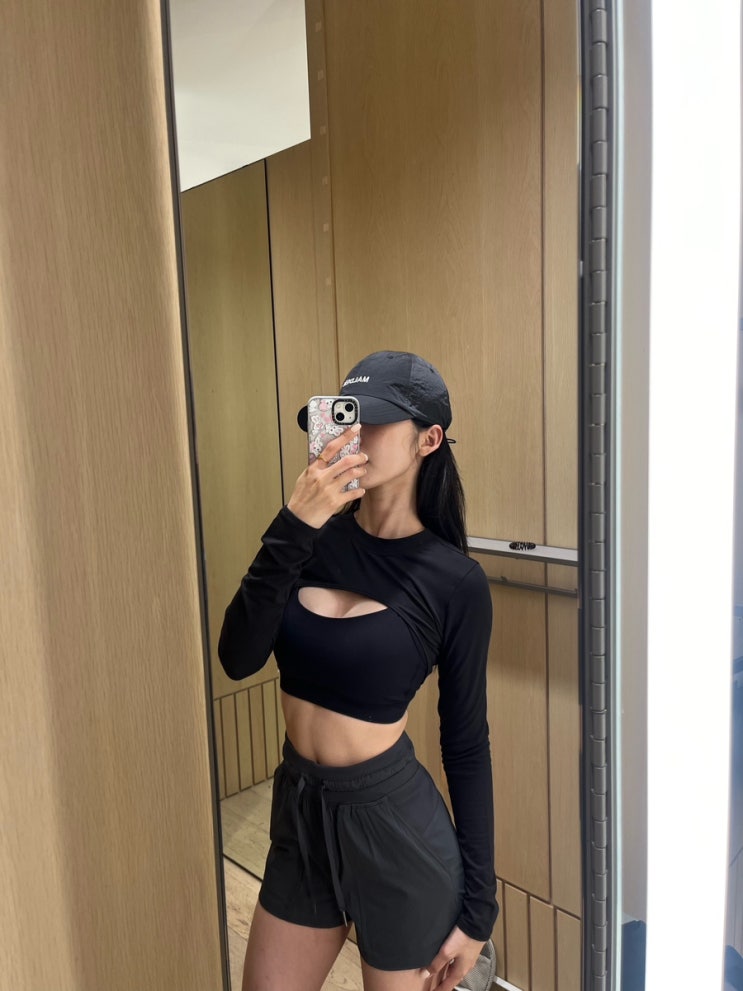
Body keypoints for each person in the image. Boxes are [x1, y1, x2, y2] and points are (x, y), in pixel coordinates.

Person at [218, 351, 497, 991]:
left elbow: (466, 745)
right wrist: (295, 523)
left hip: (394, 827)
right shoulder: (309, 537)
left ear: (429, 439)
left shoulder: (455, 582)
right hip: (300, 813)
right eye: (347, 418)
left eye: (376, 420)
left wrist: (479, 910)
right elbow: (237, 657)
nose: (355, 434)